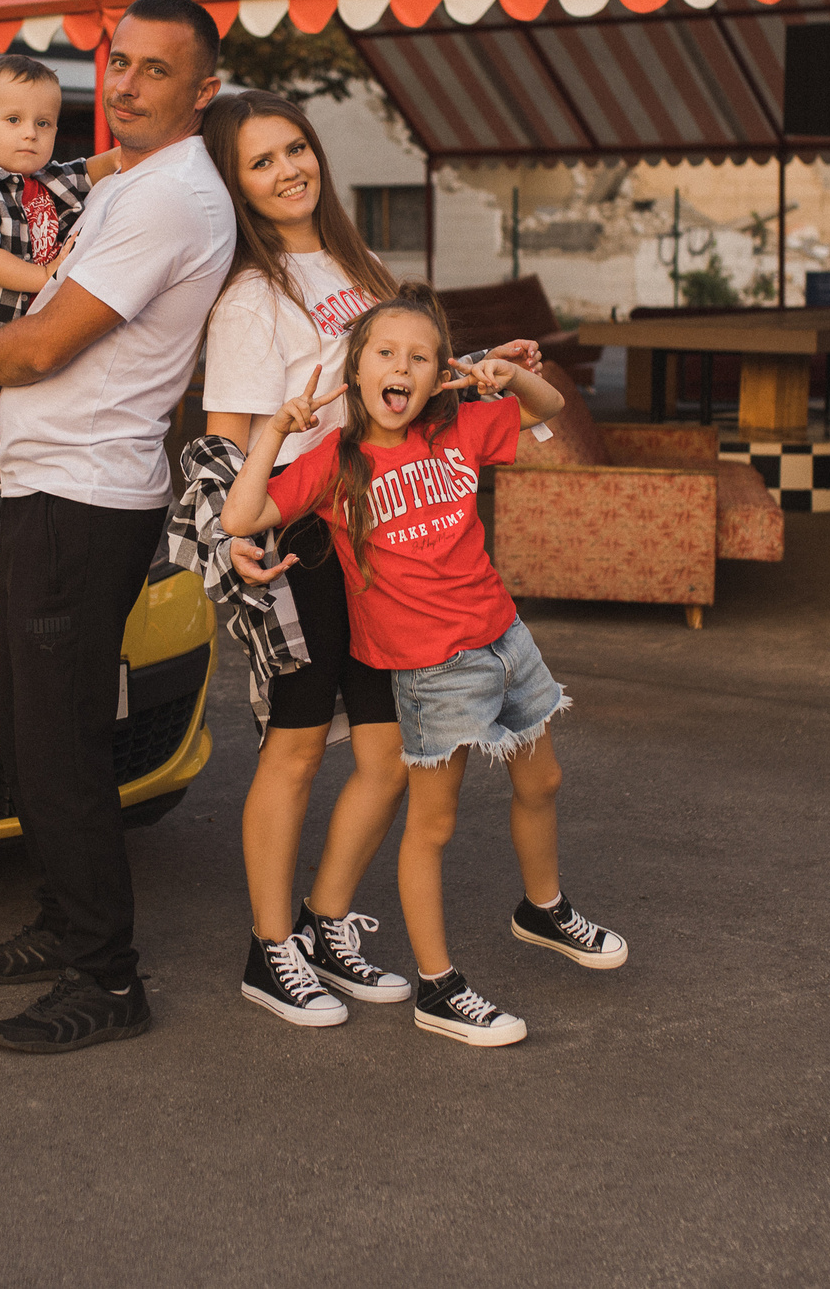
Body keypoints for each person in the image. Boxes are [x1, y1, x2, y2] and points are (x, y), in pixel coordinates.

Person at [0, 0, 235, 1054]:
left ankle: (108, 981)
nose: (126, 85)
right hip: (46, 486)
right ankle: (65, 925)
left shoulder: (171, 199)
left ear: (202, 91)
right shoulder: (127, 185)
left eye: (157, 71)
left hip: (88, 497)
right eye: (119, 64)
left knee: (60, 742)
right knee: (29, 725)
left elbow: (42, 343)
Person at [222, 290, 628, 1048]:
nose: (400, 366)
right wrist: (273, 431)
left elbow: (548, 412)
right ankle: (439, 988)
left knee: (543, 781)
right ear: (355, 369)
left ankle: (543, 907)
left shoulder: (462, 426)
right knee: (432, 824)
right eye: (384, 352)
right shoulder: (333, 463)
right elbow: (242, 518)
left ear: (442, 372)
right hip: (432, 668)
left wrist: (508, 372)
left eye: (419, 355)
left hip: (506, 639)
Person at [189, 91, 411, 1028]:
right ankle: (268, 947)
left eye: (295, 149)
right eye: (260, 161)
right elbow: (228, 437)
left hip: (384, 536)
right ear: (235, 186)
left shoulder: (361, 268)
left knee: (389, 752)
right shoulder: (250, 295)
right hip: (304, 537)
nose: (287, 170)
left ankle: (325, 923)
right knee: (292, 750)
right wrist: (234, 538)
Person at [0, 53, 116, 607]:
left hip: (34, 339)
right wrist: (49, 278)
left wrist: (148, 152)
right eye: (13, 121)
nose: (30, 135)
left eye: (45, 123)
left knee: (25, 430)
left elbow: (102, 166)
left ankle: (26, 534)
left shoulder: (52, 183)